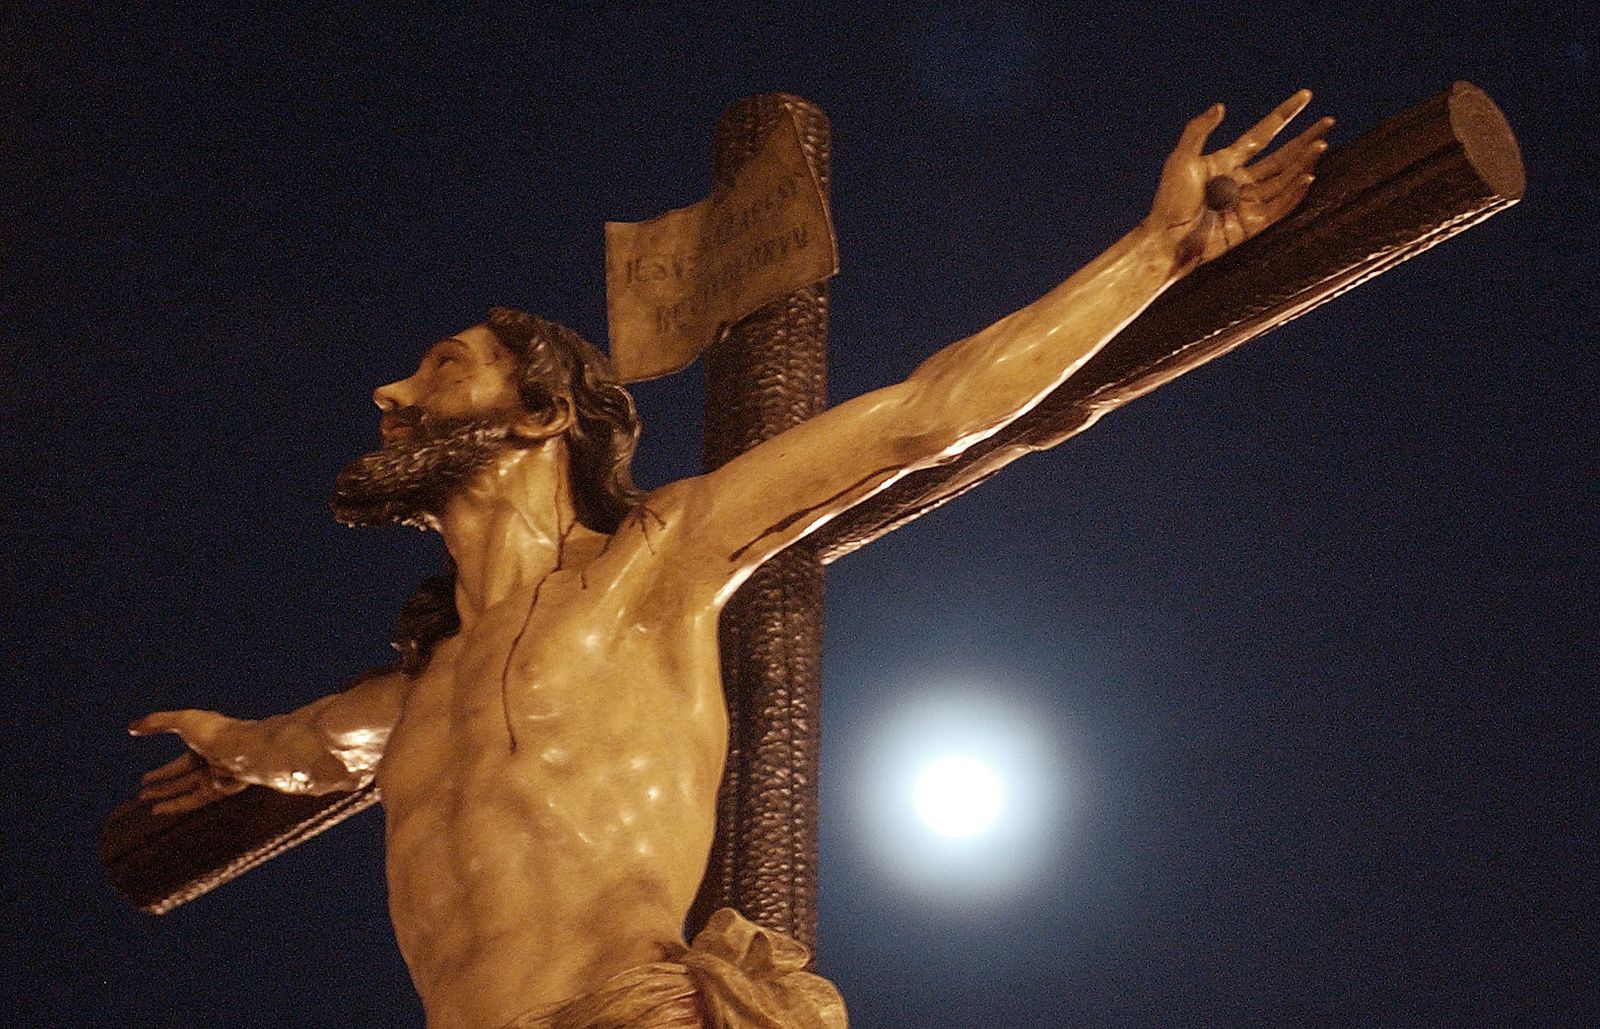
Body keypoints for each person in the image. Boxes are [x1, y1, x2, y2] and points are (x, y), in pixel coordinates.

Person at [131, 92, 1330, 1029]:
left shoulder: (656, 561)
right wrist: (232, 749)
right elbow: (291, 752)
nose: (391, 395)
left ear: (544, 414)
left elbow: (931, 413)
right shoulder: (409, 699)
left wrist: (1159, 249)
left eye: (442, 367)